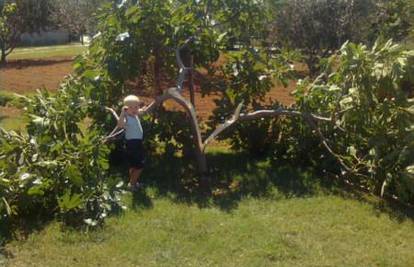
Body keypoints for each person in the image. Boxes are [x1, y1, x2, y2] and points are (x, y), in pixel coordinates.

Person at [117, 95, 146, 192]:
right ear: (126, 109)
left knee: (133, 165)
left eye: (136, 107)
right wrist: (122, 113)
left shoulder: (135, 115)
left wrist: (142, 109)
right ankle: (132, 184)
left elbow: (141, 111)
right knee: (139, 166)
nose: (134, 109)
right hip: (132, 145)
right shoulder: (126, 118)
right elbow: (120, 125)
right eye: (131, 107)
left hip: (137, 143)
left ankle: (133, 182)